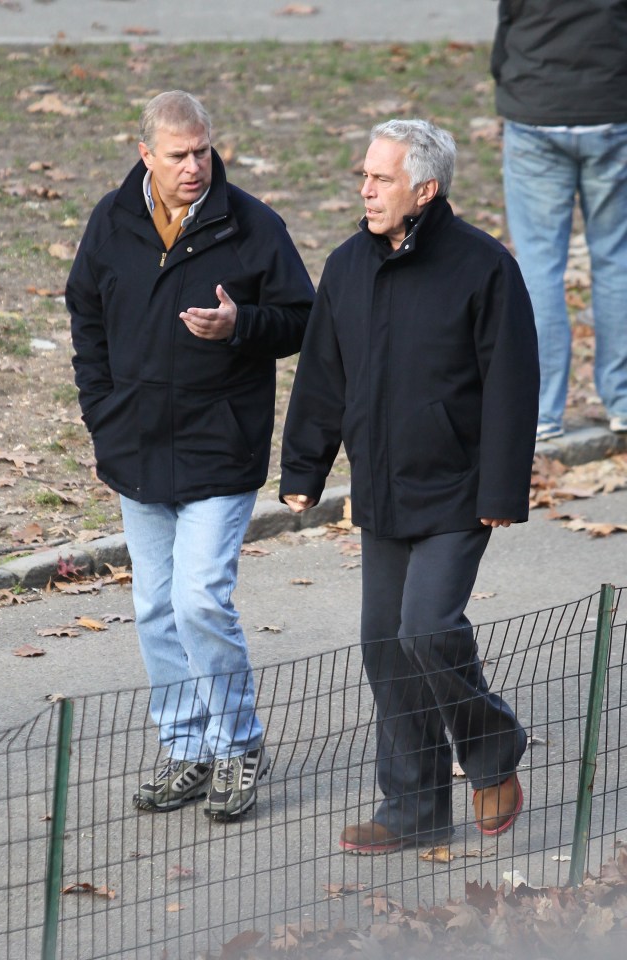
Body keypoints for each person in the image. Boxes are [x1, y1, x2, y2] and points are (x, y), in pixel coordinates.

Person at [280, 119, 539, 854]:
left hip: (459, 489)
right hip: (383, 491)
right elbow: (323, 376)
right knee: (384, 648)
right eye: (364, 174)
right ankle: (416, 806)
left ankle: (492, 751)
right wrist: (305, 467)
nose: (365, 188)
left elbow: (512, 386)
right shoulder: (346, 266)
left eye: (381, 177)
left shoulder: (484, 267)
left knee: (426, 628)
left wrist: (501, 490)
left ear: (424, 189)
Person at [67, 90, 314, 819]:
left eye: (203, 150)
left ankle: (237, 745)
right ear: (146, 153)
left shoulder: (252, 226)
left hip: (220, 447)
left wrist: (242, 324)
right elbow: (85, 313)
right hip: (135, 448)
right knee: (153, 607)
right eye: (178, 154)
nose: (195, 167)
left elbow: (302, 317)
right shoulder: (112, 223)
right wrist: (101, 413)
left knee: (200, 598)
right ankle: (187, 750)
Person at [492, 0, 627, 442]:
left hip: (536, 106)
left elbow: (508, 23)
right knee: (617, 259)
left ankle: (541, 411)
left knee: (537, 265)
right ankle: (622, 401)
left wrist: (509, 82)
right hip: (612, 106)